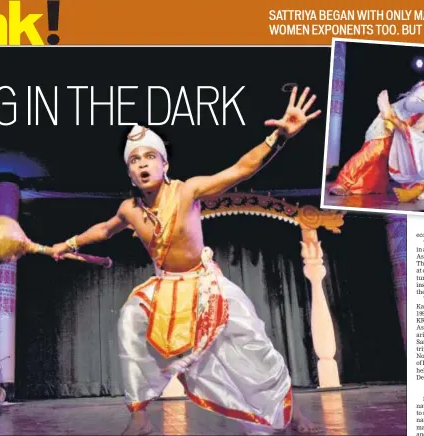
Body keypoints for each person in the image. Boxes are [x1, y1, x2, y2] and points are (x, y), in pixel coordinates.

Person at [46, 87, 321, 435]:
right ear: (130, 174)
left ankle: (291, 413)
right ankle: (140, 417)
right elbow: (104, 229)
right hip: (166, 289)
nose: (143, 163)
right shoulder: (130, 209)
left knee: (255, 351)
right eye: (135, 160)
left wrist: (278, 136)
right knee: (131, 319)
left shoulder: (187, 191)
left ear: (164, 164)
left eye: (149, 156)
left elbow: (240, 170)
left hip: (207, 286)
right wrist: (67, 243)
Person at [328, 68, 424, 197]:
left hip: (405, 135)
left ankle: (366, 186)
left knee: (385, 161)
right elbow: (409, 104)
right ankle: (342, 182)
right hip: (391, 121)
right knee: (373, 151)